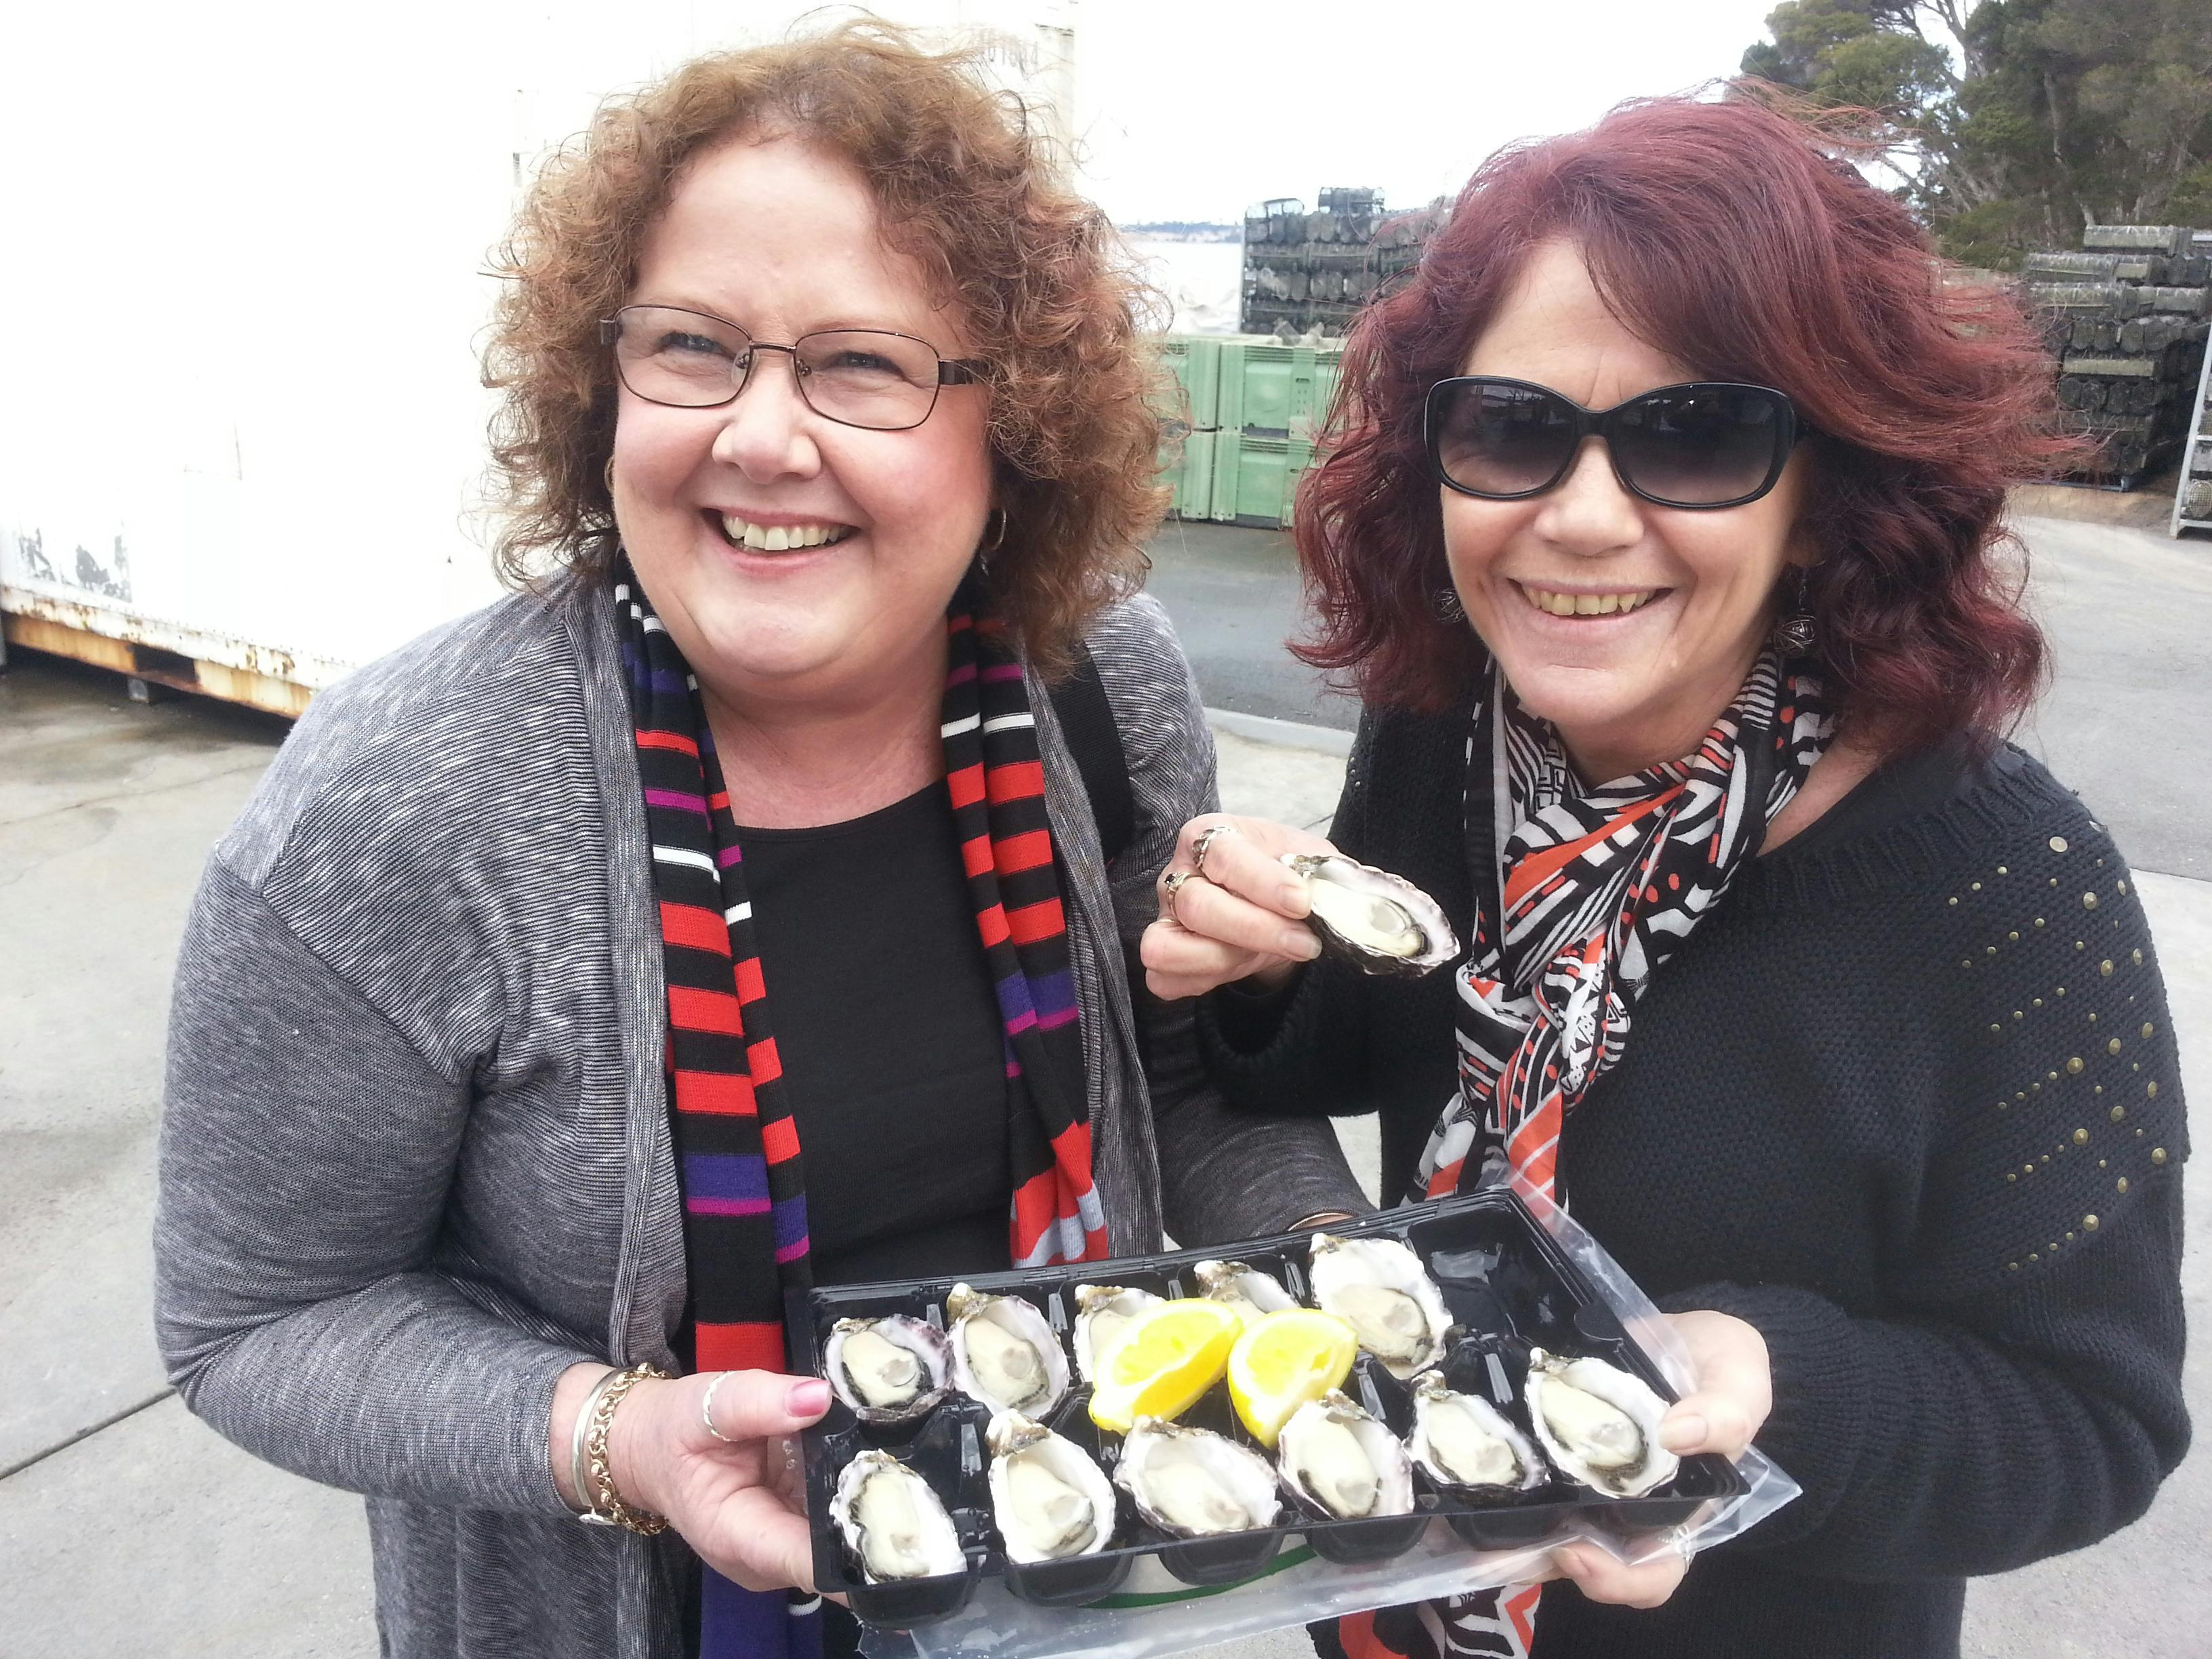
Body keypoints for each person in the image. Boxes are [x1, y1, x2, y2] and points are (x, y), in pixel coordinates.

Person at [149, 24, 1378, 1659]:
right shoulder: (402, 807)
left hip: (1057, 1587)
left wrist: (1335, 1277)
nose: (762, 437)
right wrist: (615, 1438)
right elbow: (259, 1321)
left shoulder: (1100, 683)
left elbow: (1168, 1092)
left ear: (1007, 421)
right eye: (693, 347)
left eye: (864, 363)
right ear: (602, 384)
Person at [1143, 96, 2190, 1659]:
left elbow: (2091, 1423)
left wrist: (1787, 1384)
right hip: (1389, 1599)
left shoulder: (2006, 890)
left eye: (1694, 436)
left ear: (1828, 488)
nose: (1578, 517)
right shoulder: (1445, 733)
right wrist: (1262, 959)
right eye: (1512, 429)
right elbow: (1369, 1048)